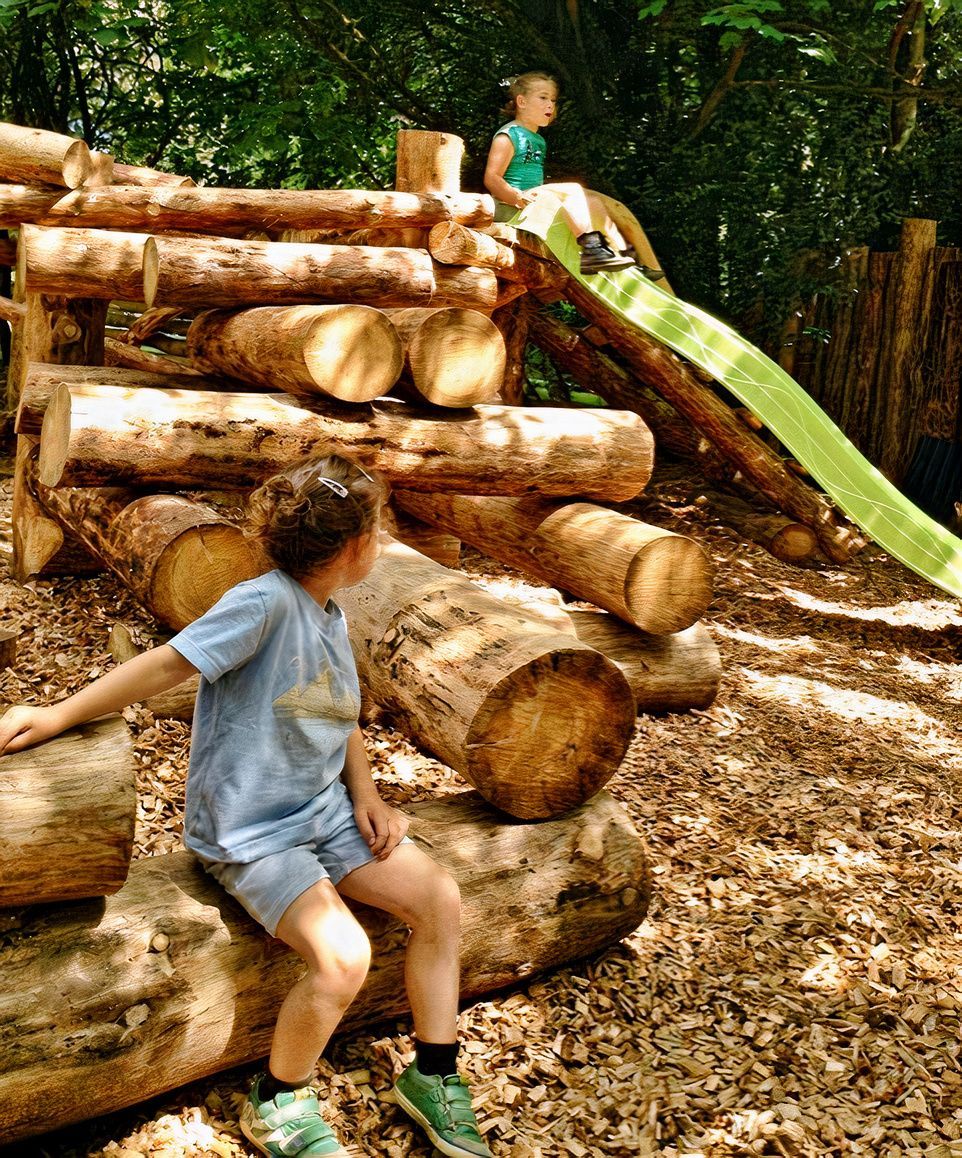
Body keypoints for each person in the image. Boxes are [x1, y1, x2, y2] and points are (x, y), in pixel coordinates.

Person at [0, 451, 491, 1158]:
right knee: (343, 957)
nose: (379, 542)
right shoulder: (262, 604)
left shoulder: (327, 612)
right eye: (378, 530)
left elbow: (336, 710)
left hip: (324, 814)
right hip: (254, 831)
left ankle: (433, 1074)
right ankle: (279, 1099)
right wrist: (58, 715)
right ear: (356, 547)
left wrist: (369, 793)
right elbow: (169, 662)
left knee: (441, 899)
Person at [483, 70, 664, 279]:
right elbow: (492, 178)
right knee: (572, 190)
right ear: (521, 102)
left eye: (552, 99)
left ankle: (625, 259)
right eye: (543, 97)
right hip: (511, 208)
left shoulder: (537, 139)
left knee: (594, 203)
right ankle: (591, 250)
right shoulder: (509, 135)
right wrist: (516, 197)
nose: (550, 104)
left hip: (532, 205)